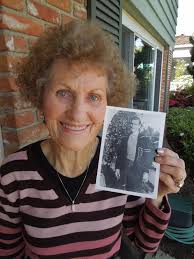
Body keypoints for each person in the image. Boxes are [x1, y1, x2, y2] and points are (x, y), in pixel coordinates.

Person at [0, 20, 186, 259]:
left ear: (109, 104)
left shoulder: (120, 163)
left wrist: (158, 195)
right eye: (63, 93)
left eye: (94, 97)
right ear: (40, 98)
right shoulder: (12, 176)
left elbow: (144, 244)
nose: (77, 114)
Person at [115, 115, 142, 190]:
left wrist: (146, 171)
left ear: (139, 126)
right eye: (131, 123)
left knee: (133, 188)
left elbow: (146, 156)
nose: (132, 126)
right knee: (122, 186)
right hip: (125, 164)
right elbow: (120, 154)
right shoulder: (125, 138)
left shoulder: (143, 139)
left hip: (136, 166)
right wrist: (117, 168)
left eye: (135, 124)